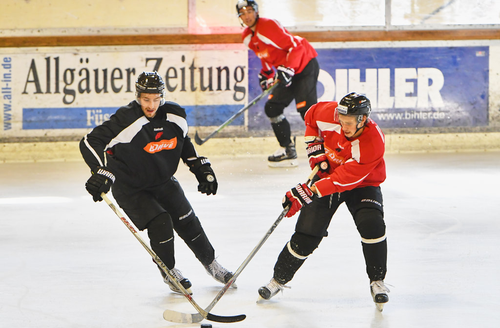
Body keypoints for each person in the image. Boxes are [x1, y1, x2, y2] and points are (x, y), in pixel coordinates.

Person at [79, 71, 234, 294]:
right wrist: (100, 171)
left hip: (162, 181)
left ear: (162, 96)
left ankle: (211, 264)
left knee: (188, 221)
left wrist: (200, 166)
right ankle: (169, 271)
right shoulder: (126, 119)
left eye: (155, 99)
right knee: (161, 222)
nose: (151, 105)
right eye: (145, 99)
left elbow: (184, 142)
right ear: (137, 97)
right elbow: (89, 141)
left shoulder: (175, 115)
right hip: (131, 187)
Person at [258, 92, 390, 310]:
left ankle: (377, 281)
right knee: (307, 233)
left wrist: (308, 192)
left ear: (363, 119)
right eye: (341, 121)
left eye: (349, 123)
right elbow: (310, 119)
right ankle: (277, 280)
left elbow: (345, 179)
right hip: (327, 178)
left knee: (372, 224)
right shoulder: (331, 113)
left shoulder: (373, 141)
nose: (344, 126)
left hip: (362, 184)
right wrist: (315, 152)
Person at [236, 0, 320, 167]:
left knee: (307, 111)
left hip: (303, 66)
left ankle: (326, 149)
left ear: (256, 11)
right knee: (272, 107)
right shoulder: (247, 37)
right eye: (243, 13)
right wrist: (266, 74)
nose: (247, 16)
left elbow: (296, 45)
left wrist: (288, 69)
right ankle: (288, 150)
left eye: (250, 11)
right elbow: (265, 56)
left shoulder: (267, 26)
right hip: (287, 70)